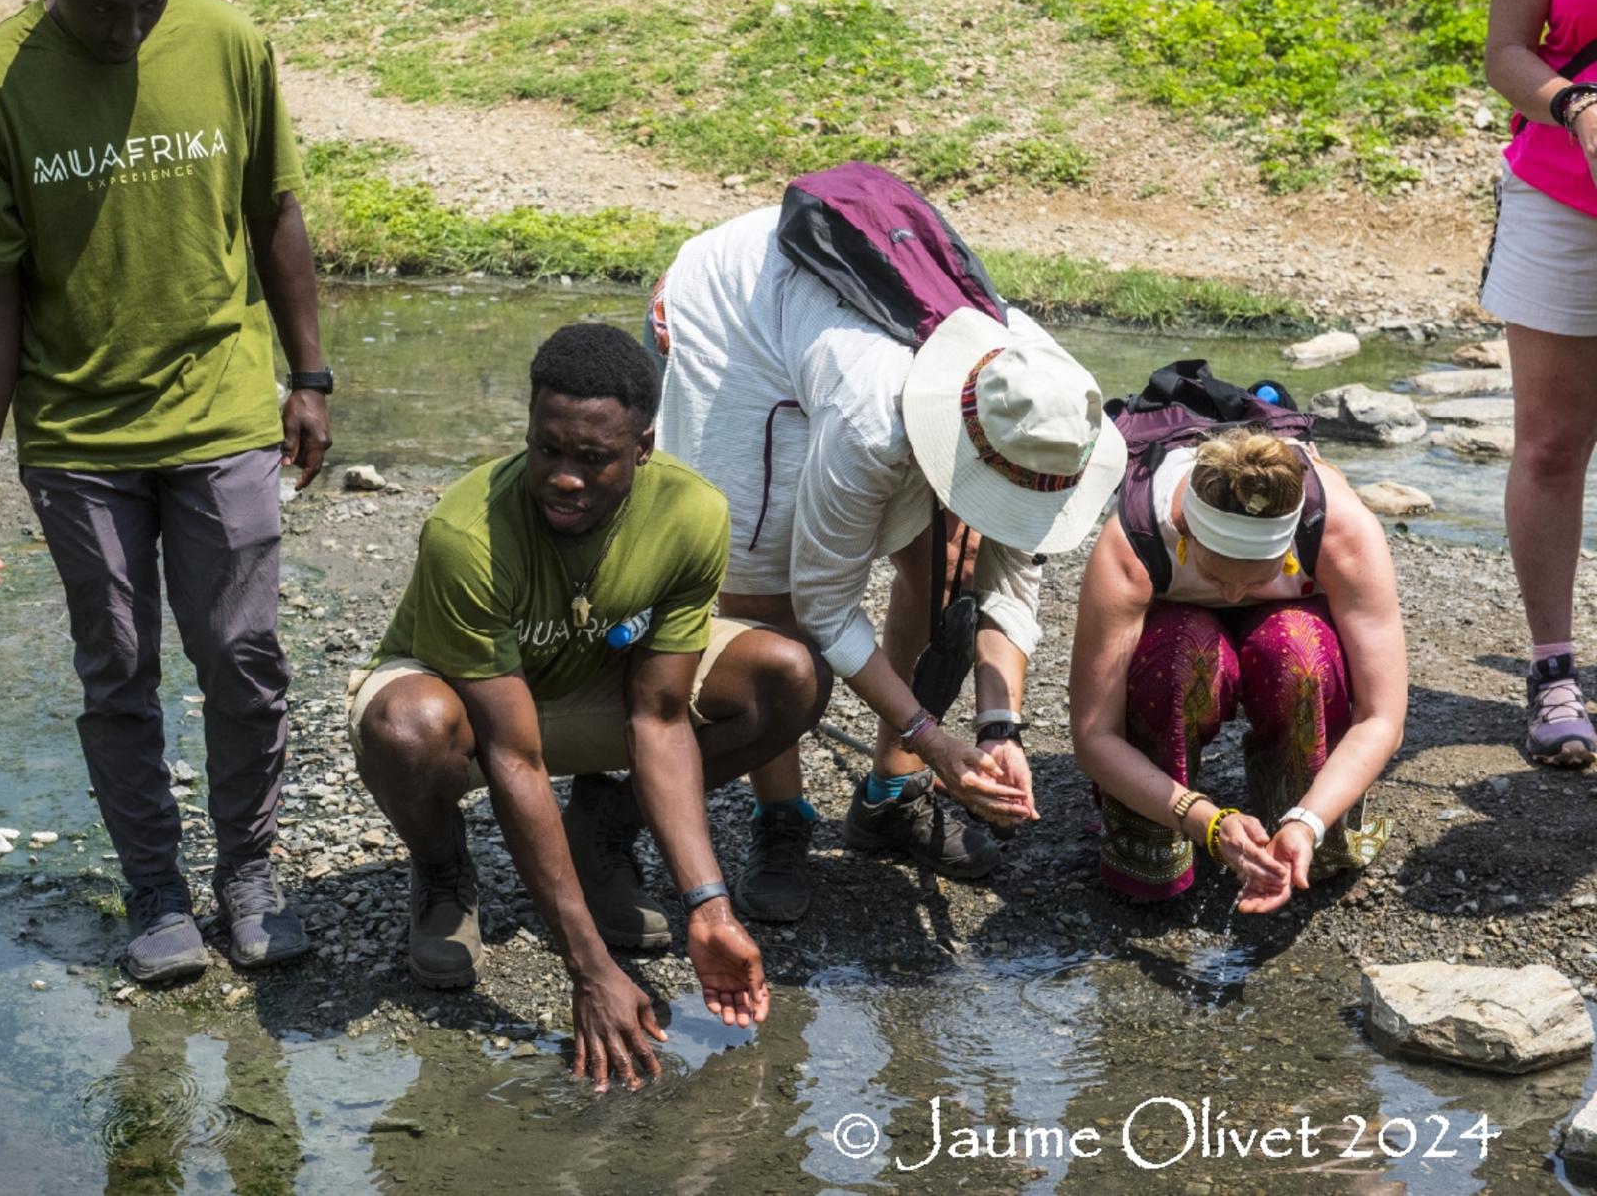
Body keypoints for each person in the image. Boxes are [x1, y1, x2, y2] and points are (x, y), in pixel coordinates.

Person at [0, 0, 331, 980]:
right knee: (117, 667)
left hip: (221, 408)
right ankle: (155, 890)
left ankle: (247, 873)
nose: (128, 26)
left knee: (242, 653)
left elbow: (274, 212)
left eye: (149, 1)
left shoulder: (227, 44)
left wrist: (309, 374)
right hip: (79, 437)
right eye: (104, 3)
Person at [349, 324, 829, 1093]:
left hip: (600, 692)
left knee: (788, 673)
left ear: (643, 446)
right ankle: (443, 871)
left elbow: (661, 716)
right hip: (474, 714)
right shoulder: (465, 535)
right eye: (548, 449)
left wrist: (707, 906)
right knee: (405, 728)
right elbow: (514, 754)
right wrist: (590, 968)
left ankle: (603, 828)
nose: (563, 478)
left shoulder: (690, 513)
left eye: (593, 458)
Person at [648, 205, 1124, 918]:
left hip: (856, 339)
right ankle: (781, 816)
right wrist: (933, 734)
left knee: (949, 564)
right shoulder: (870, 420)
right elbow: (823, 607)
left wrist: (1000, 725)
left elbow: (1012, 572)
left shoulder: (1047, 399)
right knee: (767, 594)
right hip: (738, 317)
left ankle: (890, 796)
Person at [1069, 424, 1404, 911]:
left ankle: (1302, 825)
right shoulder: (1135, 542)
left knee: (1299, 655)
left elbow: (1382, 717)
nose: (1232, 596)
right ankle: (1152, 837)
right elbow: (1093, 736)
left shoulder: (1342, 532)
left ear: (1286, 552)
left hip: (1288, 627)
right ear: (1185, 535)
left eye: (1255, 579)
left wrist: (1308, 820)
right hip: (1180, 633)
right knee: (1183, 656)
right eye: (1217, 576)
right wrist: (1202, 819)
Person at [1484, 0, 1597, 766]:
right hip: (1562, 194)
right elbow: (1505, 51)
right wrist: (1577, 106)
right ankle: (1552, 666)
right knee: (1553, 440)